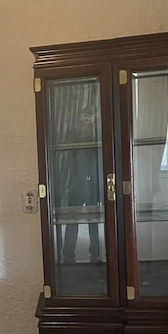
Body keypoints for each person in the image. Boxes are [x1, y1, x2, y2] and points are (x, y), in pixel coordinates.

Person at [61, 105, 101, 264]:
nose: (87, 118)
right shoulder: (73, 132)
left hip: (94, 184)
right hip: (76, 183)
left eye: (90, 115)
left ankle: (95, 252)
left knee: (95, 219)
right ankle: (68, 253)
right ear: (79, 117)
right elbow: (64, 147)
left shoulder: (97, 132)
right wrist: (78, 132)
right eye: (84, 115)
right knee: (72, 219)